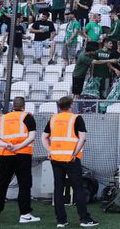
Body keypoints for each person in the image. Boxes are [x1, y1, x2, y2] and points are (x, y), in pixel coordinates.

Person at [41, 96, 98, 227]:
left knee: (58, 188)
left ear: (59, 107)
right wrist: (75, 154)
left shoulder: (53, 118)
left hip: (56, 158)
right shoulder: (76, 118)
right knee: (78, 188)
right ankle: (84, 219)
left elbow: (44, 137)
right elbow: (82, 138)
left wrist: (50, 150)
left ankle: (61, 221)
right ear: (71, 106)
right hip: (71, 159)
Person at [0, 97, 40, 224]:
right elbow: (31, 137)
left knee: (0, 185)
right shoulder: (27, 117)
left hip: (5, 155)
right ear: (24, 106)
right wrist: (18, 147)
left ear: (13, 106)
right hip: (23, 155)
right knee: (24, 185)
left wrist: (6, 145)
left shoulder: (3, 118)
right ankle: (25, 215)